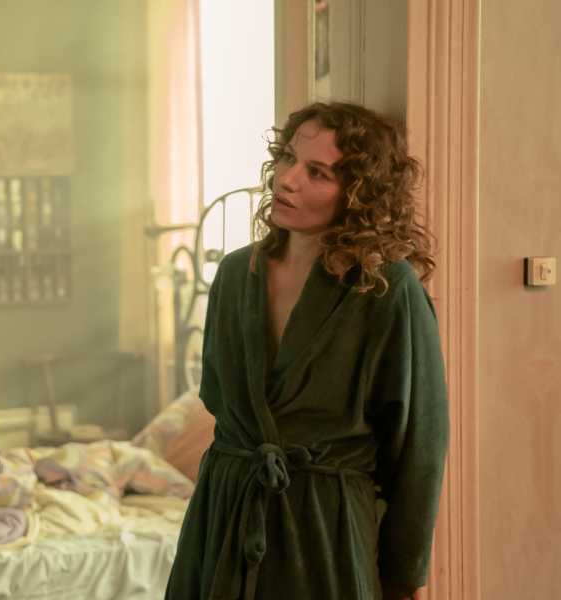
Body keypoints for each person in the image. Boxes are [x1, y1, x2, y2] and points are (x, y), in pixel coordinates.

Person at [165, 102, 449, 600]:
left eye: (317, 172)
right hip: (225, 511)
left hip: (325, 528)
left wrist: (403, 577)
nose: (287, 180)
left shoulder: (386, 289)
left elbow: (419, 448)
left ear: (359, 193)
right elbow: (216, 398)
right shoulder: (234, 276)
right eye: (287, 157)